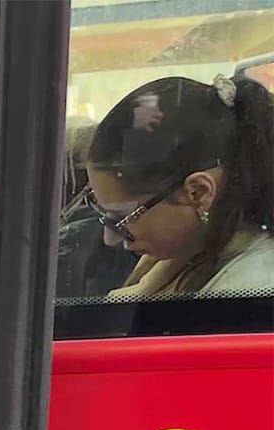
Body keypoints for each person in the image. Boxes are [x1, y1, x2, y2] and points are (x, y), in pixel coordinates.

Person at [83, 73, 274, 297]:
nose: (109, 238)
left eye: (122, 218)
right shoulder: (191, 252)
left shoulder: (247, 294)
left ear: (198, 192)